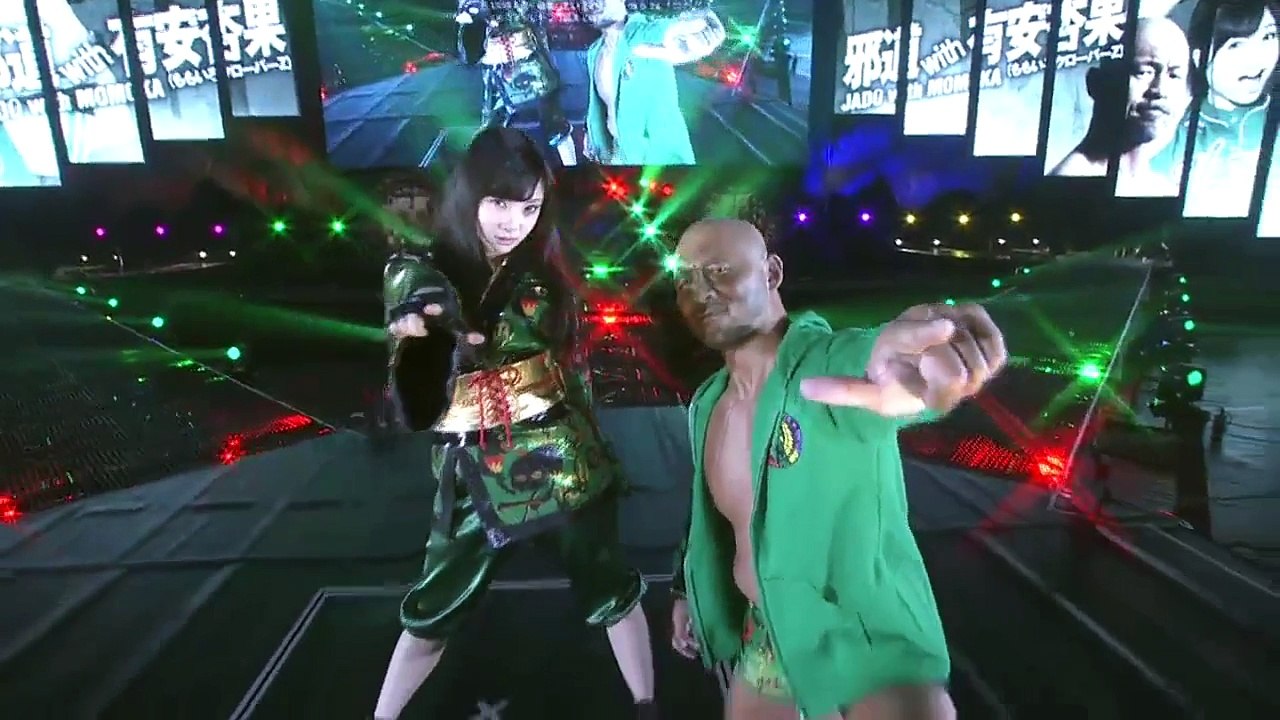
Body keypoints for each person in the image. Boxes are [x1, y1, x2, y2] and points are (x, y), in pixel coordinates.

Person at [666, 219, 1008, 719]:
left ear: (772, 273)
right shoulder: (710, 401)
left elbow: (867, 360)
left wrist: (910, 361)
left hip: (861, 643)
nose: (702, 290)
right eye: (686, 278)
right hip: (767, 637)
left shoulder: (820, 368)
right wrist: (687, 587)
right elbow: (714, 517)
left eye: (719, 270)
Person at [373, 127, 656, 719]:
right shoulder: (423, 268)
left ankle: (647, 705)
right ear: (470, 194)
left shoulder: (544, 276)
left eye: (529, 208)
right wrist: (425, 320)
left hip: (560, 454)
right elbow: (418, 292)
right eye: (500, 203)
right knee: (433, 611)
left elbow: (569, 367)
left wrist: (598, 445)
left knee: (609, 583)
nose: (513, 222)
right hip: (474, 467)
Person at [1050, 18, 1193, 197]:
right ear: (1097, 83)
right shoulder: (1069, 186)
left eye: (1174, 75)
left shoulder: (1162, 189)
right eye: (1144, 72)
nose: (1160, 90)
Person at [582, 0, 726, 165]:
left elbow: (679, 31)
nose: (590, 3)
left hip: (658, 163)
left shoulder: (640, 30)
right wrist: (591, 137)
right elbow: (600, 108)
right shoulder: (595, 51)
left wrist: (694, 37)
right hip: (615, 157)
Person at [1181, 0, 1279, 216]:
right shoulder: (1172, 136)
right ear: (1199, 56)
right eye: (1236, 45)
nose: (1256, 59)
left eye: (1268, 36)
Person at [455, 0, 578, 166]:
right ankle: (486, 172)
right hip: (496, 67)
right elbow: (468, 37)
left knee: (555, 122)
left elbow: (537, 14)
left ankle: (572, 168)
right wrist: (474, 16)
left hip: (529, 59)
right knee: (491, 128)